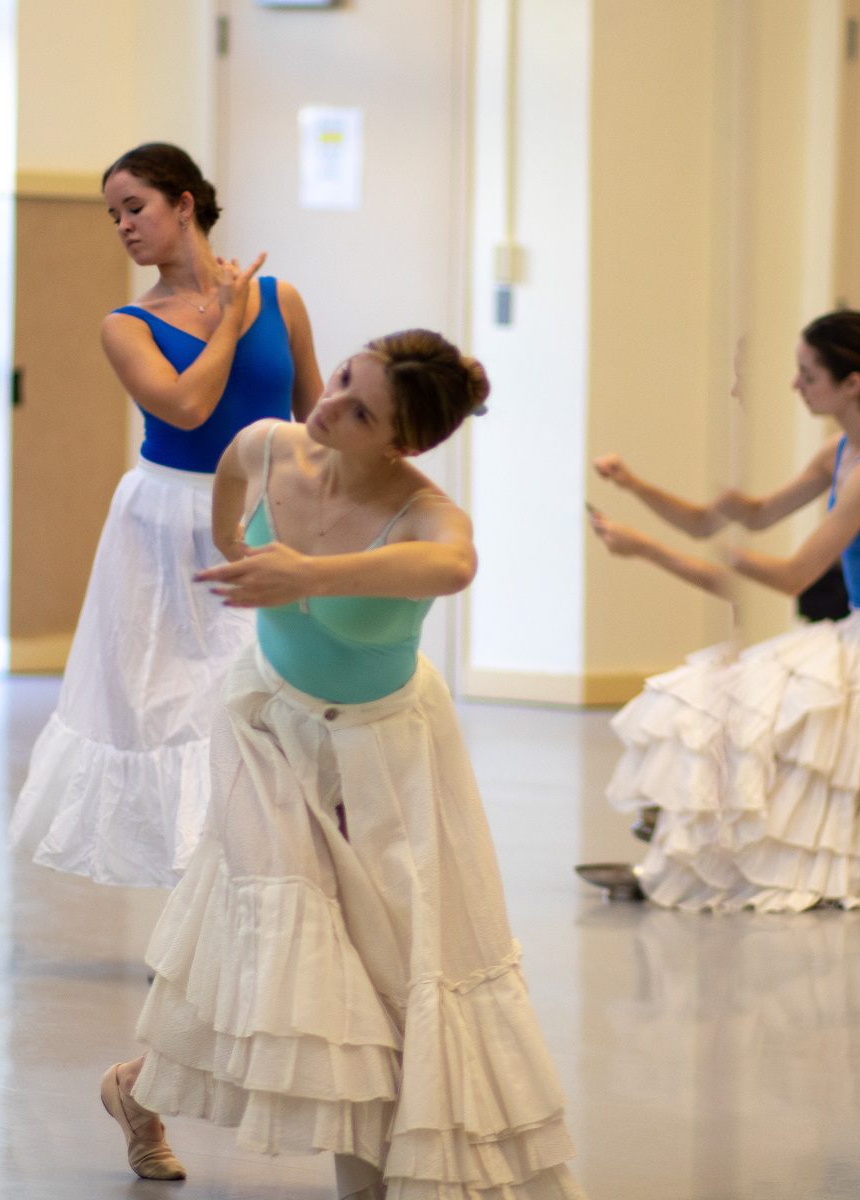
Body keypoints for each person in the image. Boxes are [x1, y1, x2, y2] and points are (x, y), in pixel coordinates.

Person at [99, 331, 588, 1199]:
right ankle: (166, 1102)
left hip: (384, 744)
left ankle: (149, 1092)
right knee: (292, 935)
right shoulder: (265, 445)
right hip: (262, 726)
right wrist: (240, 559)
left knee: (390, 962)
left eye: (359, 411)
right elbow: (229, 499)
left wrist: (309, 574)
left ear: (399, 443)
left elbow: (455, 564)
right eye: (341, 381)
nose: (326, 406)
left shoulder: (425, 512)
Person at [584, 310, 860, 913]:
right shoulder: (841, 451)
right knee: (717, 694)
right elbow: (736, 517)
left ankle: (711, 846)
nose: (795, 386)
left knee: (744, 704)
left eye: (807, 375)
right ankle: (693, 840)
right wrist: (635, 486)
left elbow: (793, 576)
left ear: (851, 383)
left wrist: (660, 549)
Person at [8, 143, 321, 900]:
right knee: (180, 713)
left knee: (265, 700)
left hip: (262, 516)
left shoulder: (281, 300)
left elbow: (313, 416)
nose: (122, 225)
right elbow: (186, 406)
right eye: (113, 215)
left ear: (184, 204)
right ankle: (199, 900)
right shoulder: (127, 325)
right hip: (166, 524)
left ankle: (267, 883)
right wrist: (226, 322)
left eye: (135, 207)